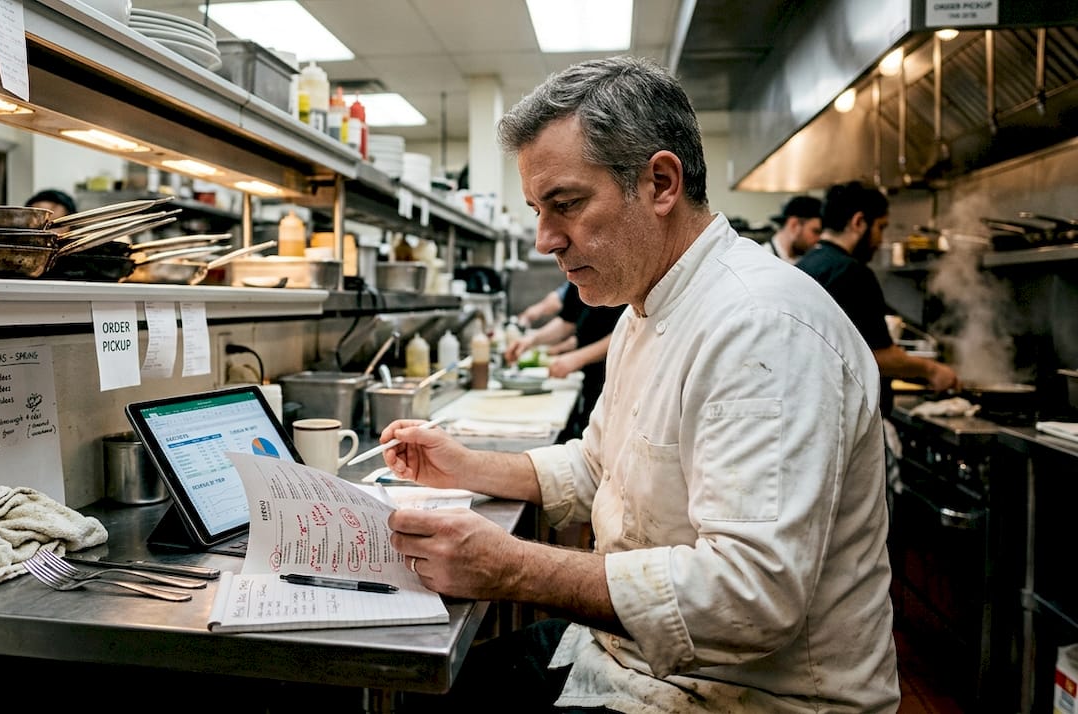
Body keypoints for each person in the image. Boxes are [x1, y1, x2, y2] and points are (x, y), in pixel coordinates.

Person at [381, 56, 899, 712]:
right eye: (539, 210)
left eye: (565, 204)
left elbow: (752, 597)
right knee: (427, 691)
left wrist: (512, 567)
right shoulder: (642, 310)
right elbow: (600, 465)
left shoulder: (761, 327)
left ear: (659, 182)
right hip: (629, 661)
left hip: (746, 697)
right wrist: (466, 465)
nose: (545, 239)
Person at [796, 181, 959, 418]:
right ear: (859, 222)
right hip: (849, 419)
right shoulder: (852, 273)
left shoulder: (806, 265)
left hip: (816, 412)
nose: (880, 240)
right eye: (881, 228)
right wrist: (932, 370)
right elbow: (877, 356)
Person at [505, 282, 623, 439]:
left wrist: (577, 358)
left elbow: (625, 331)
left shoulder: (620, 275)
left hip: (615, 379)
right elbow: (567, 323)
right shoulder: (577, 276)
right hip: (591, 377)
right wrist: (531, 339)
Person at [765, 195, 823, 263]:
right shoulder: (762, 259)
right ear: (794, 225)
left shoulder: (811, 261)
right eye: (816, 231)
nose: (819, 239)